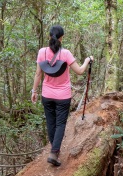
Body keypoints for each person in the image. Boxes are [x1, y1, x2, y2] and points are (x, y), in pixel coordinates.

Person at [31, 25, 92, 167]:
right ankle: (54, 152)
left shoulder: (42, 52)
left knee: (51, 122)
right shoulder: (66, 54)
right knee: (60, 124)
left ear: (49, 36)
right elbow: (80, 71)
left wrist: (34, 91)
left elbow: (38, 74)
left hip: (47, 94)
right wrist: (87, 60)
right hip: (63, 95)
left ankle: (54, 150)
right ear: (62, 38)